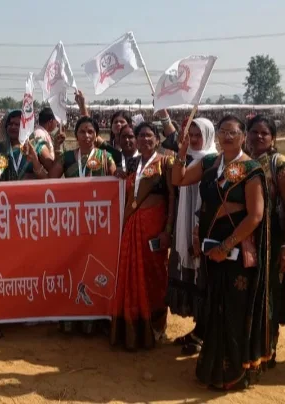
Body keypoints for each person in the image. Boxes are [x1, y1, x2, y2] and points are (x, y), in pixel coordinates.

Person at [172, 115, 269, 390]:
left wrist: (226, 246)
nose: (227, 136)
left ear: (243, 137)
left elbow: (255, 215)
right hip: (210, 248)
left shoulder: (251, 169)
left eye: (233, 132)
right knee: (215, 306)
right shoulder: (210, 163)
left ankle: (234, 373)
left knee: (233, 309)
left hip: (236, 250)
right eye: (223, 131)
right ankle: (213, 367)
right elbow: (179, 179)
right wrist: (181, 151)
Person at [110, 122, 174, 350]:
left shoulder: (166, 162)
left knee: (155, 275)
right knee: (129, 274)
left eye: (149, 135)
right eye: (141, 136)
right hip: (132, 227)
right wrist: (118, 175)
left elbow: (172, 197)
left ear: (157, 139)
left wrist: (168, 231)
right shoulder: (132, 163)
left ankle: (156, 327)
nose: (145, 139)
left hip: (154, 228)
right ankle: (133, 328)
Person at [50, 116, 116, 335]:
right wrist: (56, 149)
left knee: (96, 268)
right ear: (75, 134)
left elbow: (117, 184)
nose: (86, 136)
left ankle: (95, 319)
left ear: (96, 135)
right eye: (82, 131)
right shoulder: (67, 158)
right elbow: (50, 181)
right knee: (73, 266)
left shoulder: (106, 157)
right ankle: (70, 317)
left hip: (99, 225)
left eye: (90, 132)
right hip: (72, 224)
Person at [246, 115, 285, 367]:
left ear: (273, 138)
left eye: (264, 133)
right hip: (245, 236)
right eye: (254, 131)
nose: (259, 136)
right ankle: (246, 348)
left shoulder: (280, 164)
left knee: (268, 294)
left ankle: (267, 350)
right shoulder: (242, 161)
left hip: (271, 238)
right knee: (247, 292)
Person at [168, 117, 218, 356]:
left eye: (199, 135)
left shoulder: (214, 161)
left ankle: (206, 333)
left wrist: (198, 231)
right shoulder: (186, 159)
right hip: (184, 226)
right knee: (195, 280)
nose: (195, 140)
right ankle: (199, 329)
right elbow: (176, 182)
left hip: (206, 229)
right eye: (192, 135)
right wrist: (183, 149)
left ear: (209, 135)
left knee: (206, 280)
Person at [0, 110, 51, 180]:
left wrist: (35, 162)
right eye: (10, 124)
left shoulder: (36, 145)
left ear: (26, 127)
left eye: (17, 124)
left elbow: (53, 173)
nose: (13, 127)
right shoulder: (0, 147)